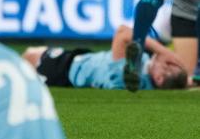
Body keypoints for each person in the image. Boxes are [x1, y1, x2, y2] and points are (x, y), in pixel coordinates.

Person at [22, 25, 188, 90]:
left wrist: (163, 50)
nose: (163, 58)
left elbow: (122, 33)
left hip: (65, 70)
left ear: (159, 78)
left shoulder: (127, 77)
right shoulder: (160, 83)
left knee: (27, 57)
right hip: (82, 60)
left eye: (167, 63)